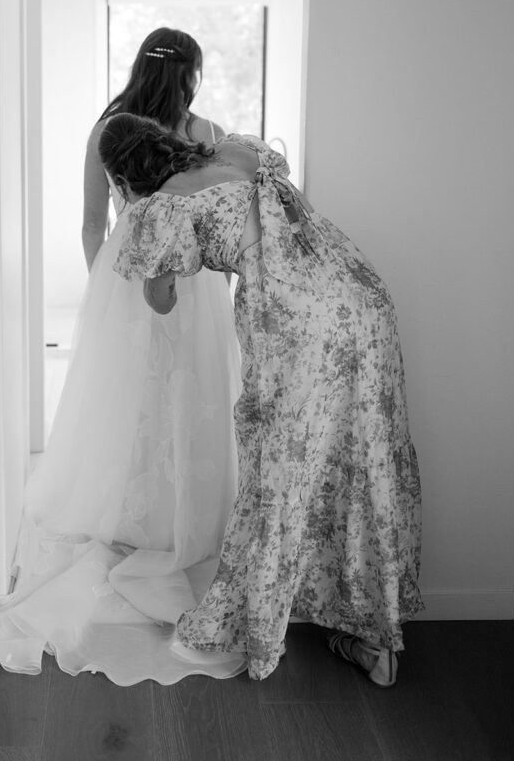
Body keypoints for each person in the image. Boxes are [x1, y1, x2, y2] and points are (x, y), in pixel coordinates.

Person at [99, 113, 423, 686]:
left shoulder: (164, 205)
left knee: (281, 467)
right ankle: (376, 638)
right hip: (362, 292)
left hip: (296, 319)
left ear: (123, 174)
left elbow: (162, 296)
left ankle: (257, 629)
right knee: (364, 455)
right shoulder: (240, 150)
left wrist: (147, 254)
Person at [0, 29, 243, 684]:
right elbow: (219, 215)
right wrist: (220, 283)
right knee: (190, 393)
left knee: (127, 396)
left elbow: (93, 222)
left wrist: (106, 290)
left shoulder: (109, 129)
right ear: (193, 75)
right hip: (195, 274)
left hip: (128, 270)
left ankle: (130, 509)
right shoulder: (207, 130)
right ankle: (185, 511)